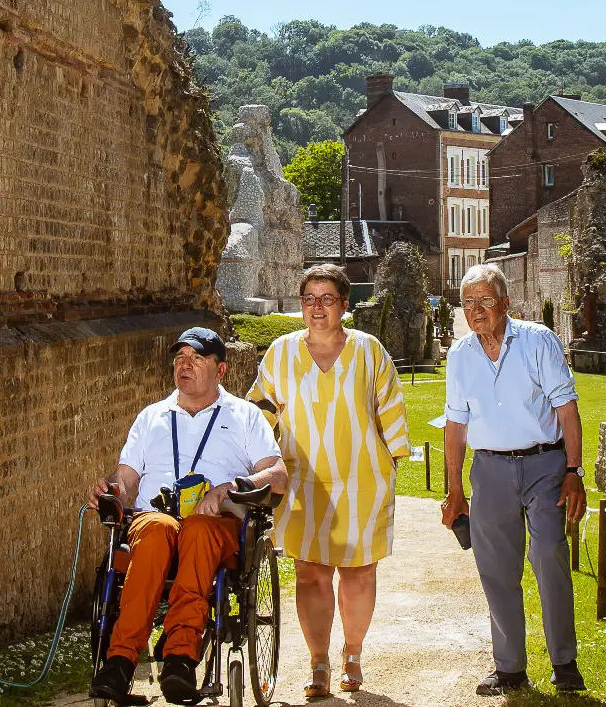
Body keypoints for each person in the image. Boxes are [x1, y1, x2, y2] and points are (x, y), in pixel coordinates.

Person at [88, 327, 288, 706]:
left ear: (221, 370)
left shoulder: (244, 416)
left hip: (214, 524)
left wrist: (229, 487)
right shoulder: (151, 417)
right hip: (154, 519)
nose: (185, 365)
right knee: (158, 529)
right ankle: (119, 662)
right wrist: (109, 489)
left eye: (197, 359)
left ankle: (180, 656)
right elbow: (125, 477)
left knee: (197, 531)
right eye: (180, 358)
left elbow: (277, 475)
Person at [247, 264, 410, 698]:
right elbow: (259, 414)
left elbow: (391, 409)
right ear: (301, 305)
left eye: (327, 299)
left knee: (358, 572)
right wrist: (257, 464)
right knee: (311, 574)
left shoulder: (369, 351)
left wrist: (392, 463)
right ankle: (318, 662)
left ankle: (352, 653)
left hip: (362, 480)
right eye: (309, 299)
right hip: (302, 482)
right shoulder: (280, 353)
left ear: (344, 304)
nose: (317, 308)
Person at [440, 264, 588, 695]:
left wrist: (574, 472)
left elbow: (566, 408)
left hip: (545, 465)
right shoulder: (460, 355)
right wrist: (455, 490)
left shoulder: (538, 340)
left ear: (505, 303)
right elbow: (455, 425)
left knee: (548, 555)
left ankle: (565, 663)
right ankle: (510, 668)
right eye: (468, 302)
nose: (477, 310)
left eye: (486, 300)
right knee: (496, 570)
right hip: (489, 471)